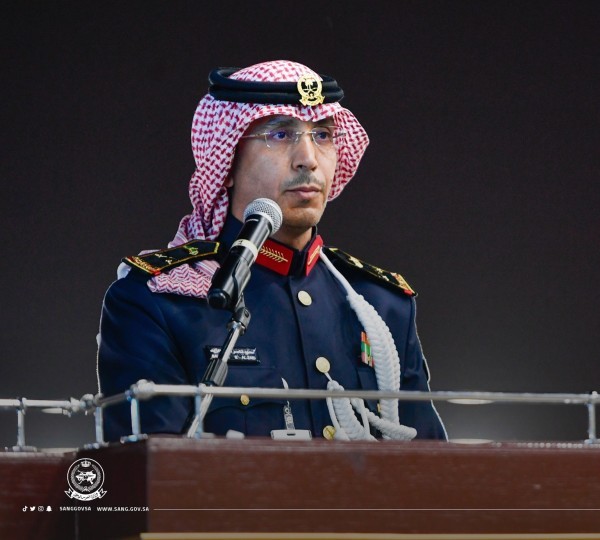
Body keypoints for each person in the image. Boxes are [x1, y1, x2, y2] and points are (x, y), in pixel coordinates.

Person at [97, 60, 447, 442]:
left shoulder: (382, 306)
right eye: (280, 134)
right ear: (226, 160)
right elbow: (153, 469)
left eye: (323, 135)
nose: (308, 159)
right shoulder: (158, 303)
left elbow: (431, 464)